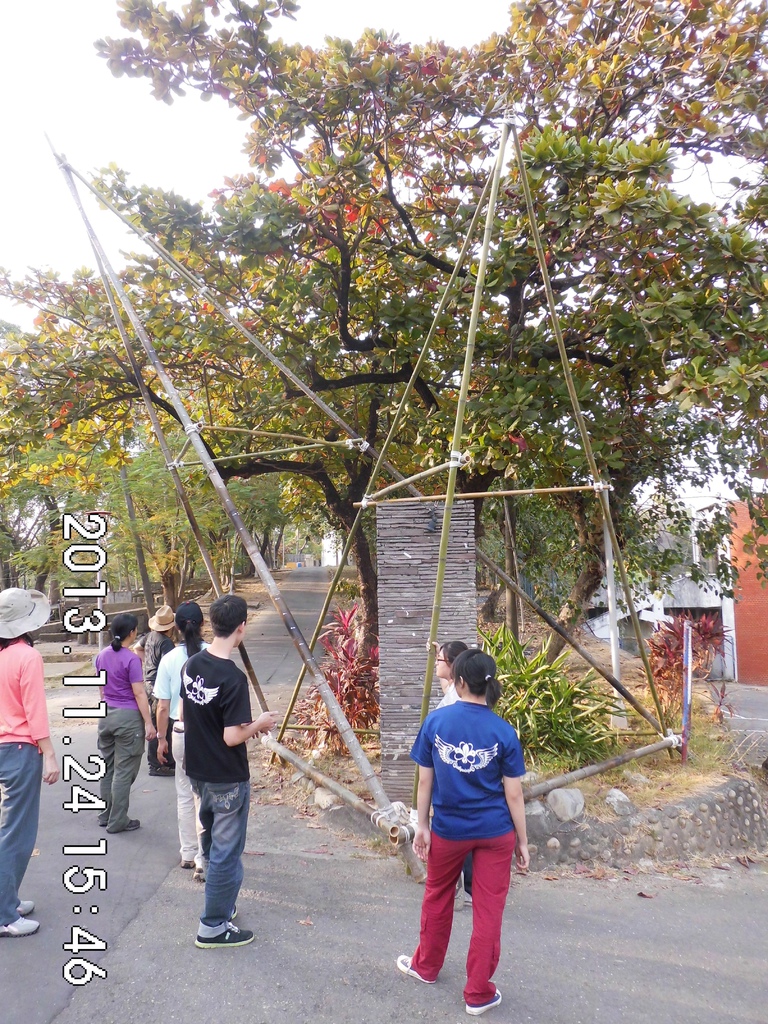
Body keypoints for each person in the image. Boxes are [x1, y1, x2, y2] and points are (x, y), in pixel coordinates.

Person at [398, 648, 529, 1017]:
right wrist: (522, 842)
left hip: (449, 830)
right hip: (495, 832)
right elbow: (514, 794)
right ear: (489, 683)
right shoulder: (503, 731)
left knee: (438, 895)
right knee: (489, 909)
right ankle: (478, 993)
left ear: (458, 682)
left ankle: (426, 966)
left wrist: (422, 826)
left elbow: (425, 782)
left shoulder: (436, 722)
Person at [180, 594, 277, 948]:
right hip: (226, 777)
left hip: (198, 770)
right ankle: (212, 925)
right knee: (225, 852)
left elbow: (189, 713)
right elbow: (232, 736)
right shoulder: (232, 678)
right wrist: (259, 724)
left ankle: (222, 904)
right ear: (241, 628)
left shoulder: (192, 664)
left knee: (210, 841)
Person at [0, 588, 60, 938]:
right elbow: (34, 711)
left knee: (10, 830)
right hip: (20, 749)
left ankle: (8, 899)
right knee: (17, 833)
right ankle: (4, 914)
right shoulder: (27, 656)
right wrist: (49, 753)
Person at [154, 601, 208, 879]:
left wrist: (160, 738)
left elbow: (163, 706)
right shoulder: (213, 653)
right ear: (203, 624)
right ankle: (204, 855)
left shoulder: (169, 659)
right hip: (208, 732)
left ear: (175, 627)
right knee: (205, 794)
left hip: (180, 731)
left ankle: (188, 852)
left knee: (185, 793)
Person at [96, 613, 157, 833]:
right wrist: (149, 723)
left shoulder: (101, 655)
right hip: (128, 718)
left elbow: (101, 688)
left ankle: (106, 814)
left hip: (106, 714)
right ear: (131, 633)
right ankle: (118, 820)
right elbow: (139, 693)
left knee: (108, 768)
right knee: (123, 771)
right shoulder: (131, 659)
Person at [434, 640, 473, 909]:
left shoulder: (461, 698)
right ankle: (462, 884)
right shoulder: (455, 690)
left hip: (458, 765)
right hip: (449, 766)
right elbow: (445, 684)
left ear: (452, 664)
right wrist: (437, 651)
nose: (436, 663)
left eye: (440, 659)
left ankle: (467, 886)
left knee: (461, 829)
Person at [143, 604, 177, 777]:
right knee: (162, 723)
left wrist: (146, 665)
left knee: (159, 721)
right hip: (158, 684)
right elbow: (168, 665)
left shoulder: (149, 636)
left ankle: (164, 760)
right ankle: (157, 764)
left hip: (148, 682)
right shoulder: (166, 643)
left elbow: (137, 648)